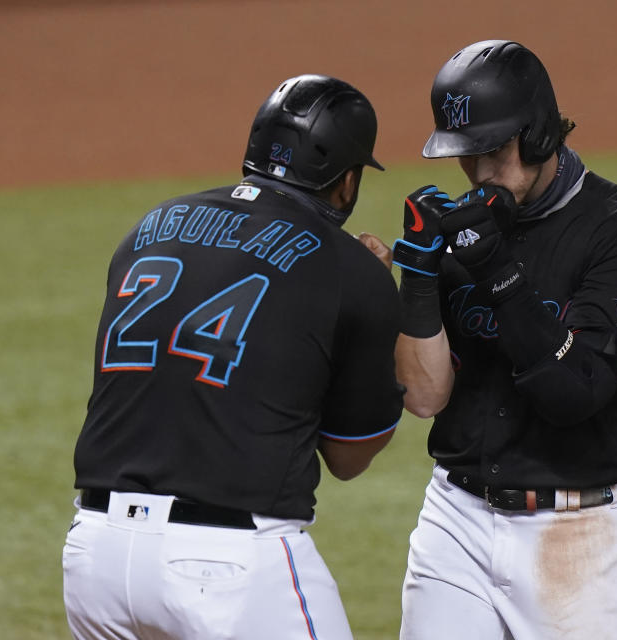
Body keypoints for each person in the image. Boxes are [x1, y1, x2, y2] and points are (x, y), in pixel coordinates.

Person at [62, 74, 404, 640]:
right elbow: (348, 457)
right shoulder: (352, 271)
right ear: (345, 181)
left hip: (93, 556)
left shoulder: (149, 228)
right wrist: (374, 312)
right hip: (227, 567)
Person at [392, 40, 617, 639]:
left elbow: (576, 391)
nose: (478, 173)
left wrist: (494, 269)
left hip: (582, 540)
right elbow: (423, 399)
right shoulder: (464, 236)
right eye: (465, 156)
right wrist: (416, 283)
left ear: (540, 133)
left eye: (492, 151)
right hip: (455, 523)